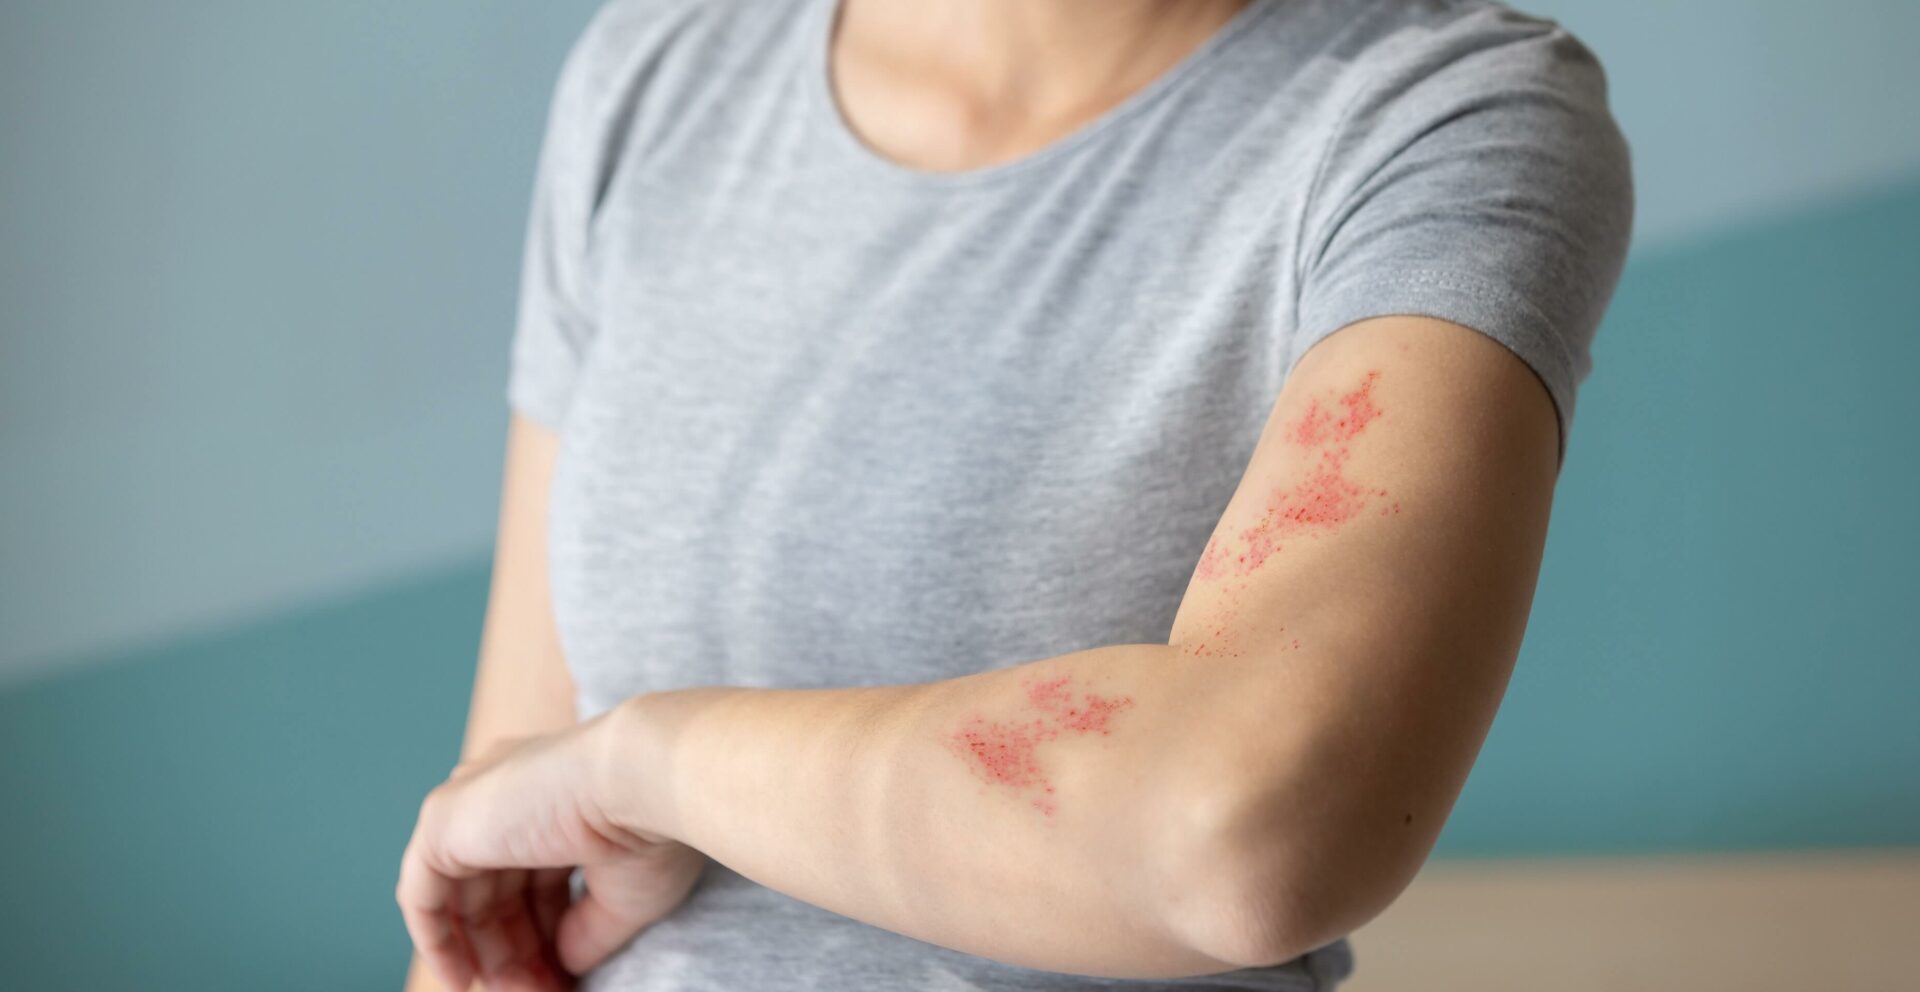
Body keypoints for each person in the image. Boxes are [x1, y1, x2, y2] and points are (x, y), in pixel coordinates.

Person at [395, 0, 1633, 988]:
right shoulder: (652, 78)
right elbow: (496, 882)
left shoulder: (1441, 114)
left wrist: (644, 766)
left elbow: (1245, 829)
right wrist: (593, 781)